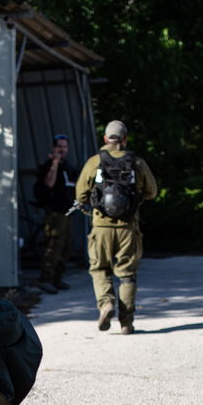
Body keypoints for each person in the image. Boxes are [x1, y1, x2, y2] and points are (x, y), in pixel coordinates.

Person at [75, 120, 158, 335]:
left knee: (99, 268)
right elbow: (152, 191)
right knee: (127, 274)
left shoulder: (95, 161)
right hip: (128, 227)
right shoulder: (136, 162)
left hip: (100, 225)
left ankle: (105, 304)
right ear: (125, 139)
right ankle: (126, 322)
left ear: (105, 139)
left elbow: (80, 194)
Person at [34, 134, 79, 293]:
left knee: (66, 246)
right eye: (59, 146)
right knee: (54, 245)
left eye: (64, 147)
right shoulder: (49, 166)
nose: (62, 150)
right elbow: (48, 184)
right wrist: (55, 163)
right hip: (54, 212)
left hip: (67, 212)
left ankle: (57, 278)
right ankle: (45, 279)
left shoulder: (68, 167)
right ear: (54, 148)